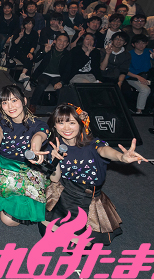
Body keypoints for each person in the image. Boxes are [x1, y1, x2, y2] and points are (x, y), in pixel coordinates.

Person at [42, 104, 147, 245]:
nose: (66, 128)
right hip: (65, 193)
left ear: (81, 124)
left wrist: (121, 157)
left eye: (72, 123)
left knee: (79, 247)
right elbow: (55, 179)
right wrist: (55, 160)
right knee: (45, 230)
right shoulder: (54, 146)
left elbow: (105, 151)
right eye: (61, 123)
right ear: (54, 126)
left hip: (88, 198)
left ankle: (67, 233)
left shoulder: (93, 143)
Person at [0, 85, 50, 226]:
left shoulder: (39, 124)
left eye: (14, 100)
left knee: (7, 220)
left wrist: (35, 150)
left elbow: (38, 136)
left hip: (26, 171)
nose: (10, 106)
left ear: (24, 101)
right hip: (2, 166)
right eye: (5, 102)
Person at [27, 34, 72, 112]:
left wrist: (61, 82)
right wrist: (44, 51)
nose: (62, 43)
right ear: (55, 41)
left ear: (67, 44)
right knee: (42, 85)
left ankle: (61, 109)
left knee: (62, 90)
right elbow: (35, 59)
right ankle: (33, 104)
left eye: (65, 41)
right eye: (60, 40)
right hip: (44, 73)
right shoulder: (48, 49)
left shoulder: (68, 54)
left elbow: (68, 71)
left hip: (58, 76)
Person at [127, 34, 154, 113]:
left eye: (143, 43)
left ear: (146, 43)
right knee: (145, 90)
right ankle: (139, 111)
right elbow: (124, 70)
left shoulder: (149, 51)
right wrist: (138, 77)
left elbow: (153, 56)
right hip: (132, 78)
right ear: (133, 44)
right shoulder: (128, 54)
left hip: (147, 77)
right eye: (138, 43)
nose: (141, 45)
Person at [10, 17, 40, 84]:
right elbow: (14, 44)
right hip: (17, 51)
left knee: (30, 57)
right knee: (29, 59)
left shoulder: (34, 33)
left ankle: (24, 76)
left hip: (27, 52)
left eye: (30, 24)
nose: (28, 25)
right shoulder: (19, 31)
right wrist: (20, 37)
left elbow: (34, 45)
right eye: (26, 24)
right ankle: (26, 81)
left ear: (33, 25)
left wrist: (30, 52)